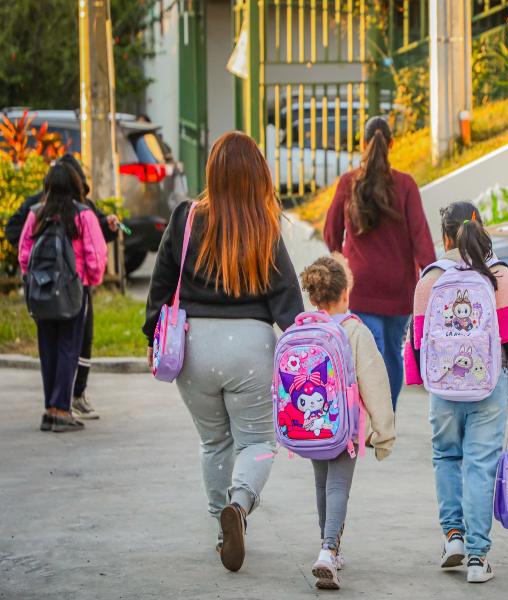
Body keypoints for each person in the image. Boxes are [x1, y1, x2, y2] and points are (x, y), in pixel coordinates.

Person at [142, 131, 304, 572]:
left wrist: (150, 337)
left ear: (212, 171)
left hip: (192, 347)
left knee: (214, 441)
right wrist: (305, 345)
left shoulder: (186, 218)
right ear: (258, 175)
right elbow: (287, 299)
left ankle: (221, 525)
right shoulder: (264, 225)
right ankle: (240, 503)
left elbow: (160, 286)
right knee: (257, 442)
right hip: (251, 347)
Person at [405, 201, 508, 584]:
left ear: (445, 235)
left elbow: (417, 342)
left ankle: (453, 538)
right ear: (479, 226)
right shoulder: (497, 274)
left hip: (444, 389)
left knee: (447, 457)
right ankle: (479, 558)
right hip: (488, 386)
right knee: (481, 464)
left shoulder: (430, 278)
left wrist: (428, 380)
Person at [324, 116, 435, 411]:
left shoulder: (349, 183)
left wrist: (341, 260)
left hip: (360, 285)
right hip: (399, 288)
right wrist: (434, 276)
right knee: (392, 355)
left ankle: (372, 418)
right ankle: (387, 416)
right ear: (392, 144)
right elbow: (421, 236)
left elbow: (330, 232)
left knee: (370, 354)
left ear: (362, 143)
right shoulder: (406, 184)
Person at [298, 255, 395, 590]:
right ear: (345, 292)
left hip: (309, 426)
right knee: (339, 485)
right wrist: (383, 432)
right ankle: (328, 549)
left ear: (313, 297)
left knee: (322, 484)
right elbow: (375, 384)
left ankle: (330, 547)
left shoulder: (303, 328)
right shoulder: (354, 331)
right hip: (343, 429)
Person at [5, 153, 119, 420]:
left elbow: (24, 252)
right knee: (69, 347)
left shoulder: (37, 214)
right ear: (76, 185)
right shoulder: (83, 215)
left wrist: (31, 278)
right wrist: (91, 280)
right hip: (73, 290)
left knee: (48, 349)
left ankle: (50, 408)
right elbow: (96, 253)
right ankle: (62, 410)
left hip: (41, 289)